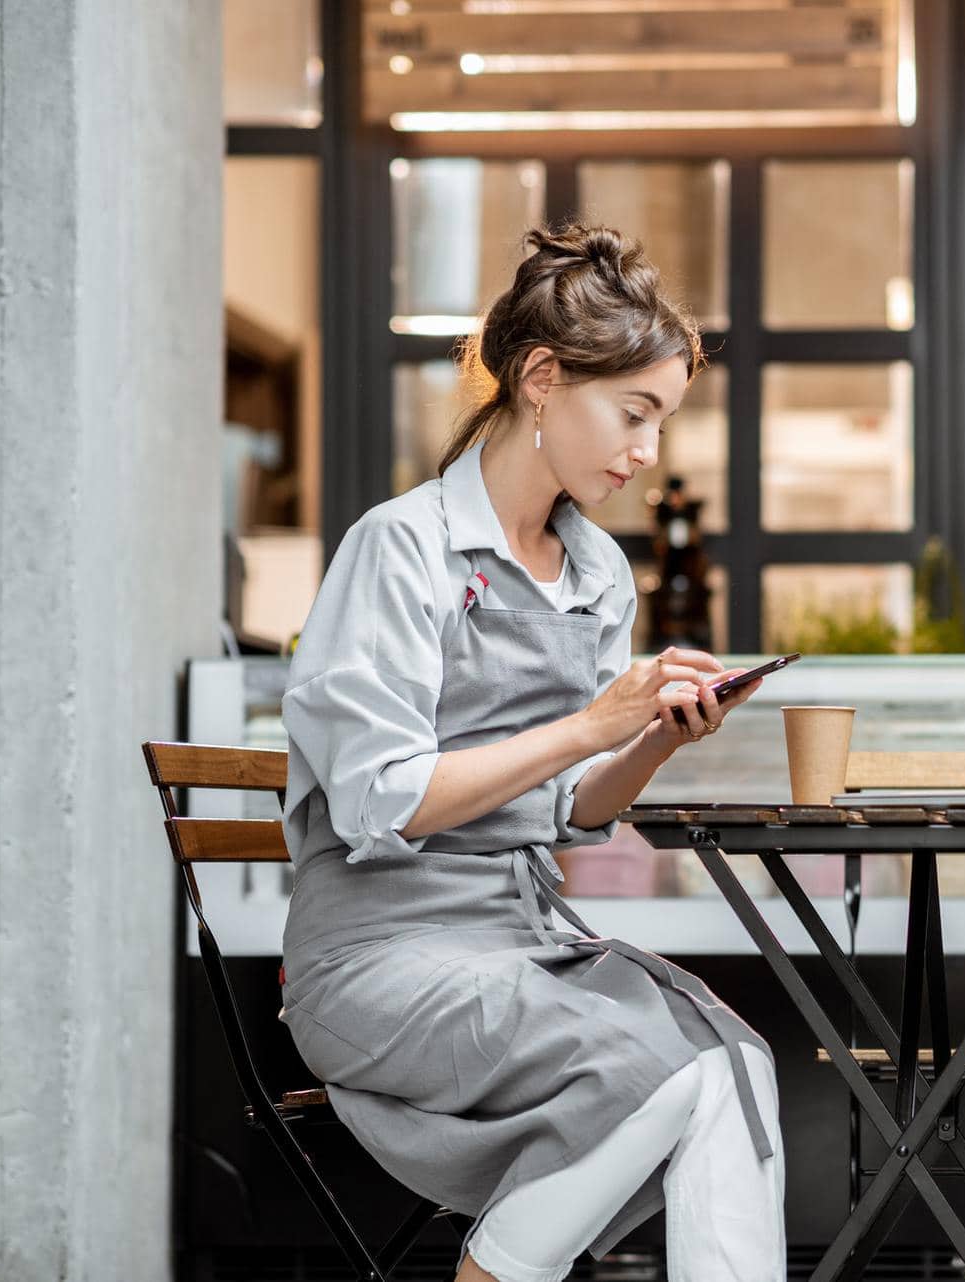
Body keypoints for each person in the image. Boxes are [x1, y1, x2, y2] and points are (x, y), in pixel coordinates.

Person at [279, 224, 784, 1282]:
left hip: (522, 942)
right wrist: (591, 721)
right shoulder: (400, 546)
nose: (647, 452)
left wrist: (646, 741)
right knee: (662, 1074)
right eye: (633, 413)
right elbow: (384, 802)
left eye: (663, 422)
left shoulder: (597, 572)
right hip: (376, 960)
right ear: (543, 379)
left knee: (737, 1061)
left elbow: (571, 812)